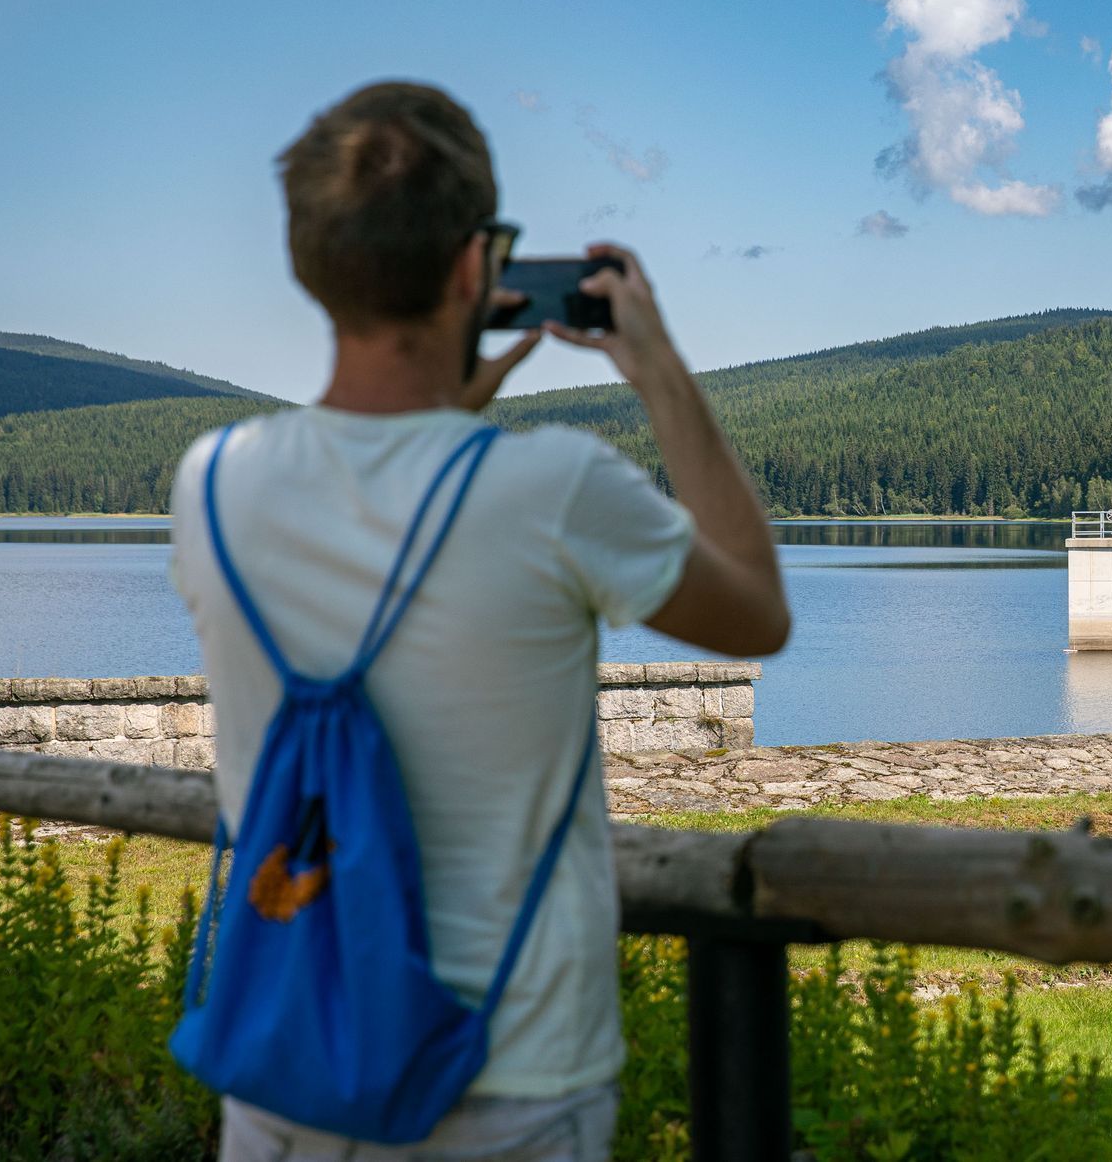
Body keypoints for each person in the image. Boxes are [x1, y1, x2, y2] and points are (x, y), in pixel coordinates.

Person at [169, 81, 789, 1161]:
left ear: (310, 266)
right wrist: (657, 366)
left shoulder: (215, 481)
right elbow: (755, 610)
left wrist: (445, 406)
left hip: (290, 1075)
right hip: (512, 1085)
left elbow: (379, 494)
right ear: (475, 268)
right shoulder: (551, 488)